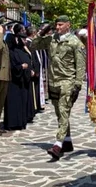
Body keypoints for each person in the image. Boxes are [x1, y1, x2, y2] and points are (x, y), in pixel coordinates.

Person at [32, 15, 85, 160]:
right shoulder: (52, 39)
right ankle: (67, 142)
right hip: (53, 81)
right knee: (59, 113)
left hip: (67, 81)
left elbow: (80, 65)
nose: (58, 27)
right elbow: (35, 45)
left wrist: (78, 85)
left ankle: (58, 144)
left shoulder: (75, 43)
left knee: (63, 111)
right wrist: (41, 33)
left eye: (61, 24)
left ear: (68, 25)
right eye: (56, 25)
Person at [5, 24, 34, 131]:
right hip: (14, 81)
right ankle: (13, 123)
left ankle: (20, 121)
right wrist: (21, 67)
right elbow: (13, 66)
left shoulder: (20, 50)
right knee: (14, 103)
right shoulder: (11, 52)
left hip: (21, 80)